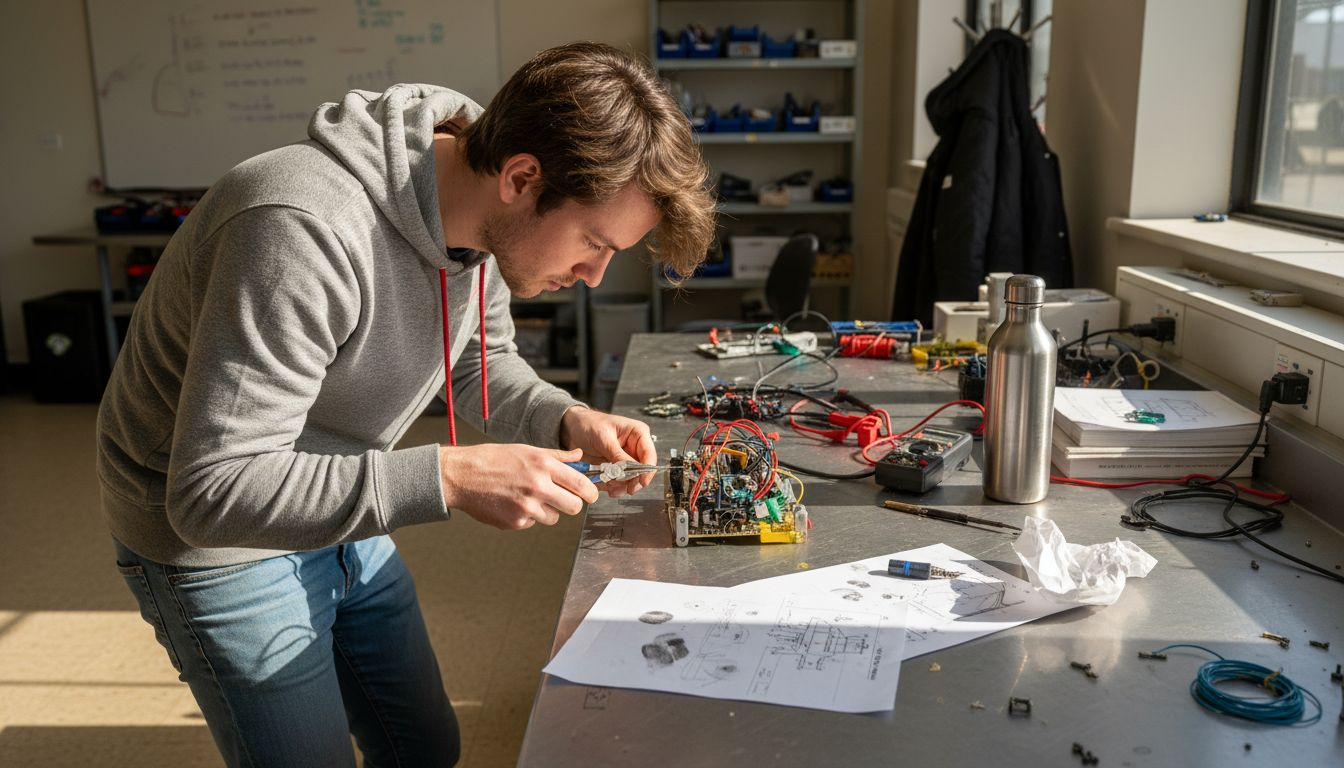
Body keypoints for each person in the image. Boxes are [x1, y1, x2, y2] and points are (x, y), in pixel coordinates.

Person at [97, 42, 714, 767]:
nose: (591, 275)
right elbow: (210, 492)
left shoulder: (483, 209)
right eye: (591, 242)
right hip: (217, 541)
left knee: (421, 745)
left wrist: (566, 417)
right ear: (522, 177)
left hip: (341, 493)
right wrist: (448, 477)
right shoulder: (298, 226)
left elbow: (480, 361)